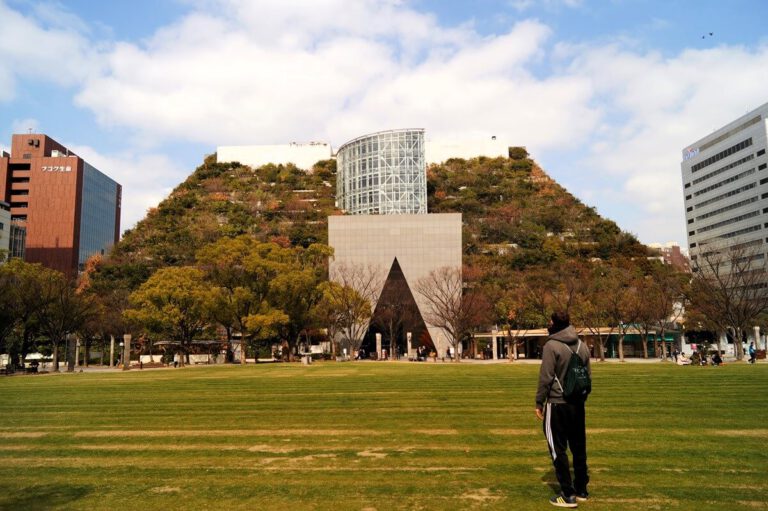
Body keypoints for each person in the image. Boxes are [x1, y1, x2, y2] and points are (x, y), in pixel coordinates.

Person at [535, 311, 590, 508]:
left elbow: (546, 377)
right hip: (577, 403)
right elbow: (587, 375)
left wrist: (539, 402)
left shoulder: (552, 345)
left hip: (557, 403)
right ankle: (582, 488)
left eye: (550, 321)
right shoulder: (582, 345)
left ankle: (568, 494)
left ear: (555, 324)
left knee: (557, 448)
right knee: (578, 446)